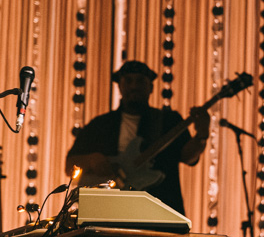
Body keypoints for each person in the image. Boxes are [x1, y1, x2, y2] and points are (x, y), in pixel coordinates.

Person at [65, 60, 209, 215]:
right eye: (128, 81)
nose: (134, 86)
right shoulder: (99, 125)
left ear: (151, 87)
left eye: (140, 81)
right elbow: (69, 165)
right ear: (119, 86)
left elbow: (188, 157)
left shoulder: (168, 121)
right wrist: (91, 160)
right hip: (107, 212)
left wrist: (202, 135)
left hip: (159, 213)